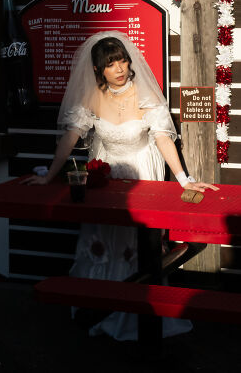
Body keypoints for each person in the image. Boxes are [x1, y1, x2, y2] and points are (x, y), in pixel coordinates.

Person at [23, 31, 218, 340]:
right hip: (107, 173)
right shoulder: (91, 96)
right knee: (102, 235)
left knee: (137, 242)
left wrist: (185, 179)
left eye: (123, 61)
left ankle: (138, 313)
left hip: (142, 171)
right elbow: (70, 138)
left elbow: (163, 138)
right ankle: (98, 307)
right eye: (112, 64)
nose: (120, 68)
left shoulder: (145, 95)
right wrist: (49, 175)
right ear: (99, 69)